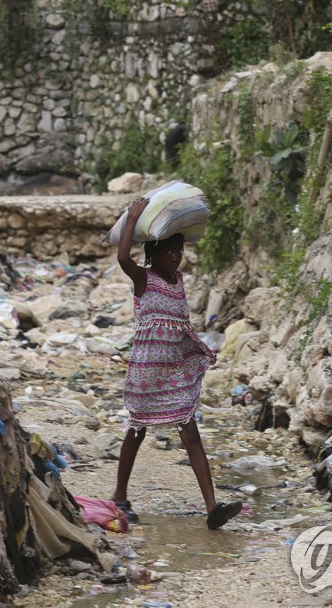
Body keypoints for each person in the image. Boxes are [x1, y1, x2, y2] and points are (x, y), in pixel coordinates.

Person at [112, 196, 243, 530]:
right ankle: (120, 496)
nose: (175, 256)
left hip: (174, 369)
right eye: (168, 251)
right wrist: (133, 218)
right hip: (146, 372)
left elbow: (180, 325)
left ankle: (212, 507)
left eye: (179, 251)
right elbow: (122, 256)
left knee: (190, 432)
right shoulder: (144, 279)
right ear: (153, 254)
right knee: (137, 429)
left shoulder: (178, 280)